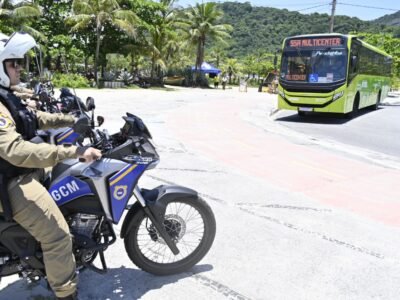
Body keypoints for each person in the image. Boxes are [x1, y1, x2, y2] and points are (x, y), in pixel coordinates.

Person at [0, 32, 102, 300]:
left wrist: (70, 120)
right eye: (13, 63)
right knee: (58, 237)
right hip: (11, 183)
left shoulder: (6, 96)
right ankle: (65, 293)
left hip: (19, 174)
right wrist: (75, 151)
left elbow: (33, 117)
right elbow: (15, 150)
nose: (19, 67)